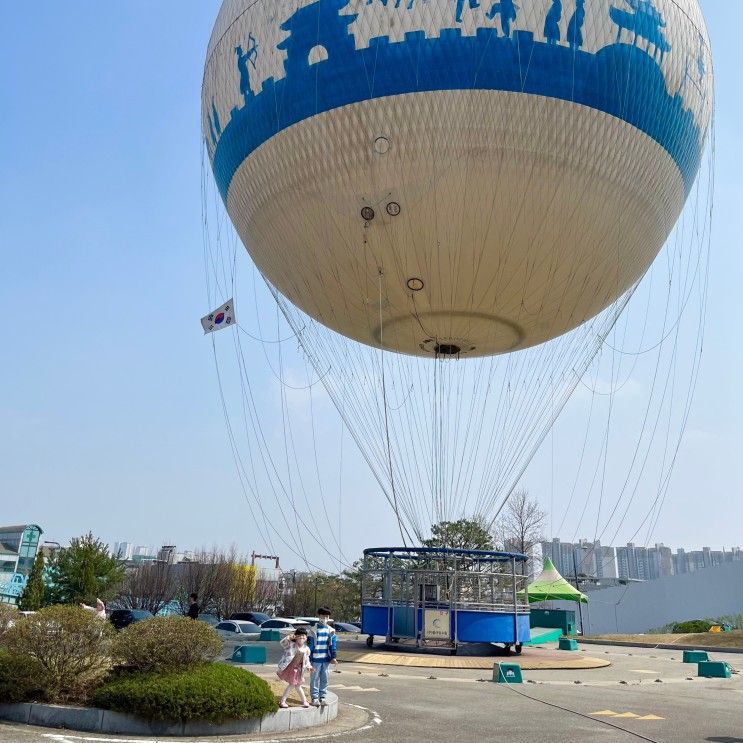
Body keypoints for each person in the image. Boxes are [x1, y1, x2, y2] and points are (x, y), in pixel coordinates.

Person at [276, 628, 313, 708]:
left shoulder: (306, 649)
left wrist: (309, 667)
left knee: (297, 685)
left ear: (306, 638)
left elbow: (307, 660)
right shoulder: (291, 645)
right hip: (290, 669)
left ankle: (304, 701)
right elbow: (282, 643)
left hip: (299, 670)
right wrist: (289, 637)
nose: (301, 638)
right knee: (293, 685)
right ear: (295, 637)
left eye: (303, 636)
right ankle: (283, 701)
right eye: (299, 636)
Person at [308, 607, 337, 706]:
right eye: (323, 616)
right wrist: (307, 659)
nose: (325, 618)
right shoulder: (313, 630)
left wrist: (333, 657)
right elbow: (310, 646)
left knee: (325, 678)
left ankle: (323, 697)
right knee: (314, 679)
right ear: (319, 616)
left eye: (327, 616)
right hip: (315, 659)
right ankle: (314, 698)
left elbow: (333, 646)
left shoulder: (331, 631)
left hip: (326, 659)